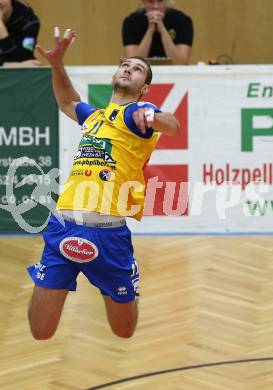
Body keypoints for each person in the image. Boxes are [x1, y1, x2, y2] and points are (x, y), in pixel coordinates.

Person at [27, 27, 180, 339]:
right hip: (63, 227)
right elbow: (68, 101)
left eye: (137, 69)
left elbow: (173, 125)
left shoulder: (138, 112)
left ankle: (128, 275)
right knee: (40, 331)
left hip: (109, 236)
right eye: (125, 64)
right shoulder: (95, 118)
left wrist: (151, 119)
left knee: (124, 330)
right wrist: (57, 66)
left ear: (144, 88)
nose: (128, 68)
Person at [122, 0, 193, 65]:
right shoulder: (131, 22)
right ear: (143, 2)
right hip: (142, 76)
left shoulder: (183, 21)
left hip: (173, 76)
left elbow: (180, 63)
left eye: (160, 1)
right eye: (150, 1)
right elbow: (133, 64)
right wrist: (150, 31)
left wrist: (162, 30)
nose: (156, 6)